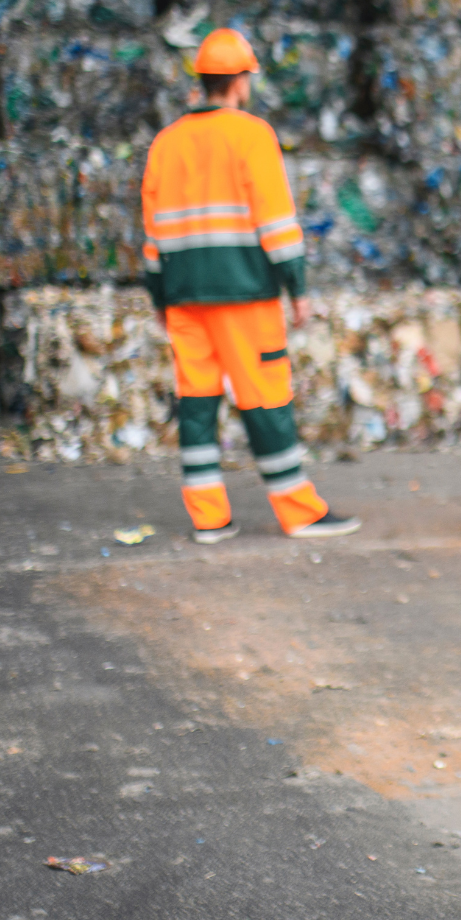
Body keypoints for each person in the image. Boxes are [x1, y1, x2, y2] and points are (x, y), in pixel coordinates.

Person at [141, 27, 358, 544]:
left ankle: (208, 518)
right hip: (245, 295)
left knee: (197, 403)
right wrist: (297, 287)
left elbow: (152, 232)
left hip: (183, 296)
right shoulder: (252, 135)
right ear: (240, 82)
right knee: (265, 397)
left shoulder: (166, 143)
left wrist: (158, 296)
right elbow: (276, 222)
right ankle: (298, 510)